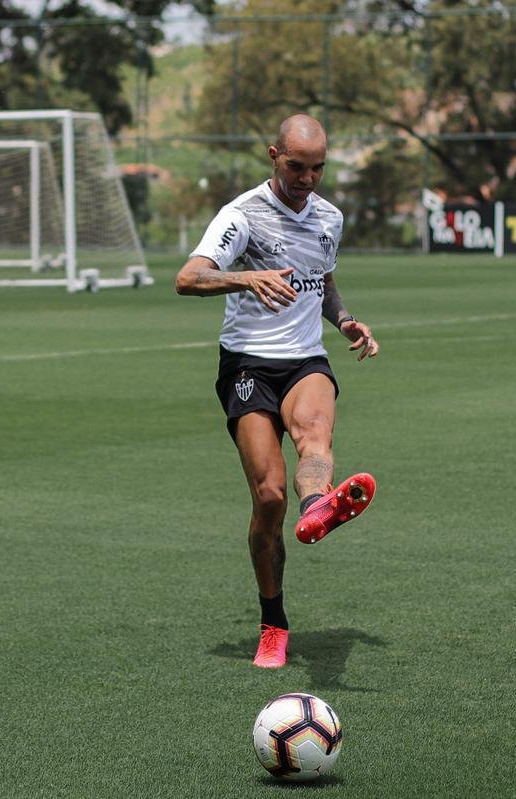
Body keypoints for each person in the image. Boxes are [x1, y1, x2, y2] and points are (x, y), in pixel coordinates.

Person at [175, 114, 379, 669]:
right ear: (272, 155)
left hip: (306, 360)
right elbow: (187, 277)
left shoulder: (329, 218)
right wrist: (245, 276)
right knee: (268, 497)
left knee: (314, 438)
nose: (308, 179)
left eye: (317, 168)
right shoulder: (241, 216)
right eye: (296, 166)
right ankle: (273, 622)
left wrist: (346, 321)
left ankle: (320, 507)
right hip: (247, 364)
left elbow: (324, 282)